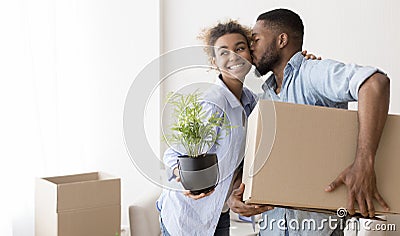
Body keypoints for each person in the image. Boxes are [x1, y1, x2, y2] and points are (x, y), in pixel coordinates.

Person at [227, 8, 391, 236]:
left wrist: (364, 163)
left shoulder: (312, 74)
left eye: (256, 39)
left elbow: (375, 83)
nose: (251, 47)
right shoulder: (264, 97)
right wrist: (238, 196)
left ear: (281, 40)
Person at [156, 20, 260, 236]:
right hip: (187, 216)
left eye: (240, 48)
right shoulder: (212, 103)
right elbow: (173, 154)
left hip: (217, 213)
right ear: (214, 62)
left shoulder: (250, 102)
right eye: (224, 52)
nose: (234, 57)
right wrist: (185, 178)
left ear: (250, 54)